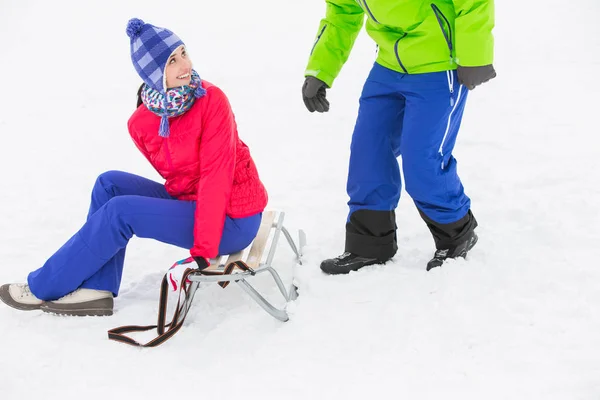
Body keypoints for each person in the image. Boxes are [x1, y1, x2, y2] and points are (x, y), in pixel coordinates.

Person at [0, 18, 268, 316]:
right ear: (153, 73)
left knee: (121, 212)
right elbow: (180, 174)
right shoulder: (143, 121)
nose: (185, 65)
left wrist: (203, 251)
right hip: (196, 202)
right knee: (109, 184)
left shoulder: (212, 99)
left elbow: (215, 177)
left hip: (232, 220)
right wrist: (155, 116)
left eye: (183, 53)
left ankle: (42, 288)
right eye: (172, 61)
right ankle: (97, 288)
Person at [302, 0, 496, 274]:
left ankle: (457, 234)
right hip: (389, 65)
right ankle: (369, 243)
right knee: (368, 151)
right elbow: (343, 12)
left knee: (422, 159)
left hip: (439, 65)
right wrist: (319, 70)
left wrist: (475, 55)